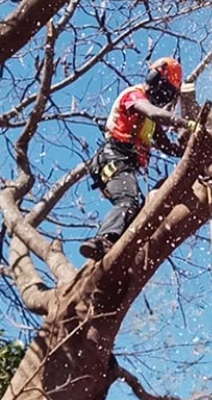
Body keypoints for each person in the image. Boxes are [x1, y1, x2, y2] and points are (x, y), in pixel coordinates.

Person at [80, 56, 196, 260]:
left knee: (138, 208)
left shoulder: (150, 121)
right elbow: (155, 113)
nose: (164, 95)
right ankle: (102, 240)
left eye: (169, 92)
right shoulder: (135, 97)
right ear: (153, 78)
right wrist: (186, 124)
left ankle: (117, 252)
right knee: (129, 200)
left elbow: (168, 146)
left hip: (125, 163)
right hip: (113, 157)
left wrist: (191, 149)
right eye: (164, 88)